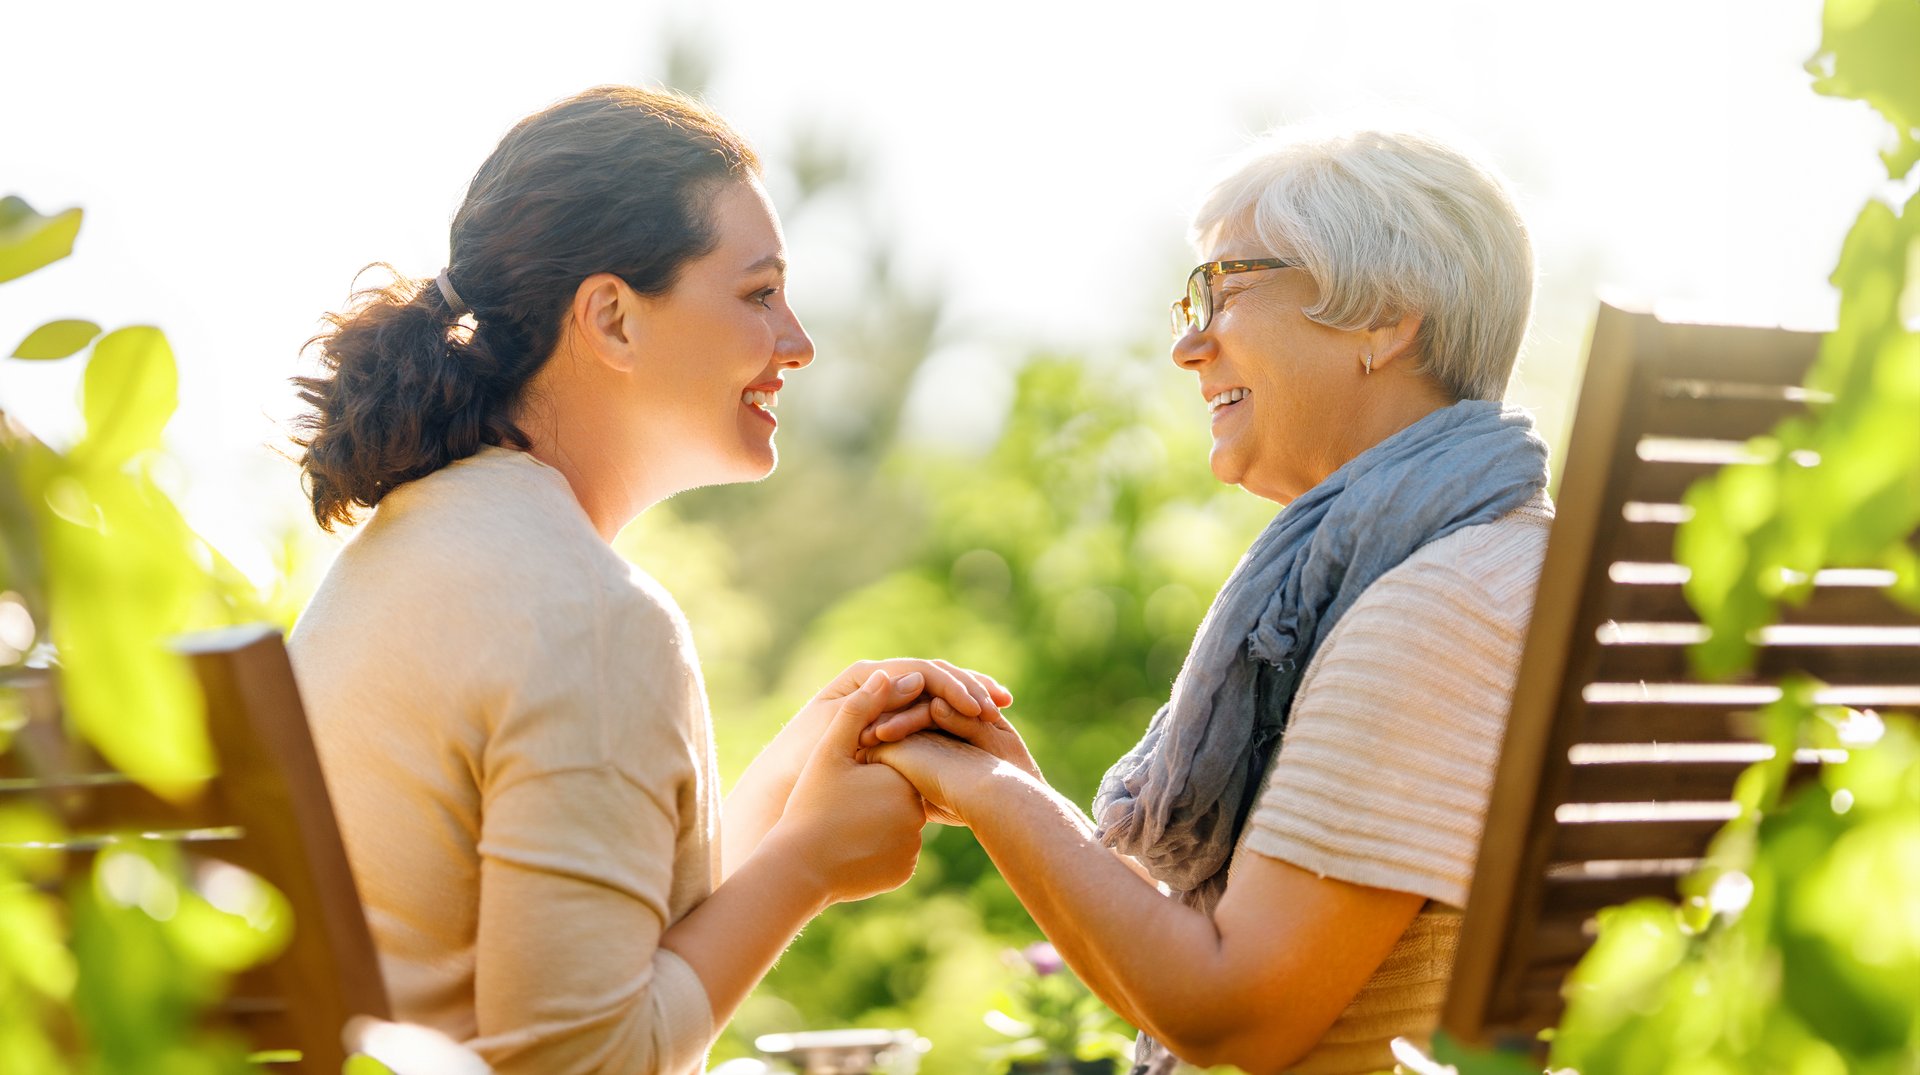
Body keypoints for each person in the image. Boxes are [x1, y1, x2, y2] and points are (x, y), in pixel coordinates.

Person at [286, 85, 1008, 1075]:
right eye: (758, 293)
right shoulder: (587, 618)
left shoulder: (406, 555)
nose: (798, 342)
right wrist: (808, 865)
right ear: (613, 318)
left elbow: (591, 956)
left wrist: (795, 787)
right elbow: (578, 1063)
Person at [862, 125, 1552, 1075]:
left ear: (1386, 316)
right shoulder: (1513, 571)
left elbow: (1232, 1016)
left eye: (1224, 289)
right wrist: (1020, 785)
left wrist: (984, 792)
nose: (1188, 344)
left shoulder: (1434, 611)